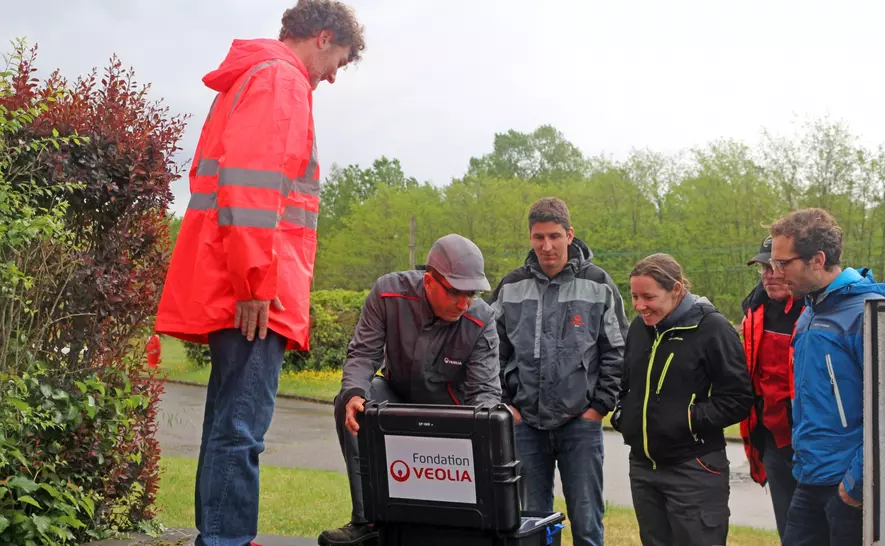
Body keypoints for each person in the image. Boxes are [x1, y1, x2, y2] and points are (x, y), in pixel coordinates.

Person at [153, 2, 365, 544]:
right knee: (240, 429)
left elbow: (239, 187)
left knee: (227, 426)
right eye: (338, 61)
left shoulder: (253, 77)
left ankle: (219, 537)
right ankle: (226, 540)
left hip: (237, 280)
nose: (333, 76)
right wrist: (255, 285)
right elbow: (252, 191)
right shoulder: (281, 81)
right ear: (323, 38)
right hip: (254, 292)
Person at [319, 234, 502, 546]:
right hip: (398, 399)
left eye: (471, 293)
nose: (463, 303)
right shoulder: (388, 294)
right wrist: (354, 393)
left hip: (454, 414)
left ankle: (467, 524)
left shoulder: (481, 319)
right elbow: (363, 354)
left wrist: (480, 427)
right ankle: (367, 520)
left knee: (488, 423)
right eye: (454, 292)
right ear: (429, 281)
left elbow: (485, 391)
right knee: (354, 401)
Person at [488, 197, 628, 546]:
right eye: (539, 237)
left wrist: (599, 407)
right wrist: (506, 404)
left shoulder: (599, 284)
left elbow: (617, 350)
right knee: (530, 523)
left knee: (587, 522)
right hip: (525, 425)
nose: (547, 246)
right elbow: (489, 350)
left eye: (554, 236)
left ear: (569, 234)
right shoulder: (510, 286)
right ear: (530, 237)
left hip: (581, 425)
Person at [769, 208, 885, 546]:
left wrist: (854, 485)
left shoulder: (867, 313)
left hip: (848, 487)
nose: (776, 273)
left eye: (783, 263)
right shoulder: (809, 312)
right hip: (809, 478)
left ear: (817, 260)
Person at [611, 253, 752, 546]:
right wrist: (623, 414)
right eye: (634, 296)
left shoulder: (713, 328)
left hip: (694, 468)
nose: (639, 306)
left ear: (676, 289)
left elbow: (738, 398)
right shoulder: (639, 327)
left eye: (648, 297)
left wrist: (685, 418)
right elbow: (627, 383)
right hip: (643, 468)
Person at [738, 235, 803, 540]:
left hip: (812, 442)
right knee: (788, 531)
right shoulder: (755, 311)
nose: (769, 275)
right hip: (773, 440)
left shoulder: (818, 310)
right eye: (764, 268)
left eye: (778, 266)